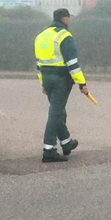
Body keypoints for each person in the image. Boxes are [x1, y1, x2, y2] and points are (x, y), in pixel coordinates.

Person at [34, 8, 90, 162]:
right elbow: (72, 64)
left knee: (58, 111)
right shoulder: (65, 36)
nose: (69, 21)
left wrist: (43, 83)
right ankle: (49, 150)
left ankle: (66, 143)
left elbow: (38, 64)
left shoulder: (40, 37)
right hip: (61, 80)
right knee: (55, 114)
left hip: (47, 78)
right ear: (65, 19)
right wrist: (82, 84)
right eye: (68, 18)